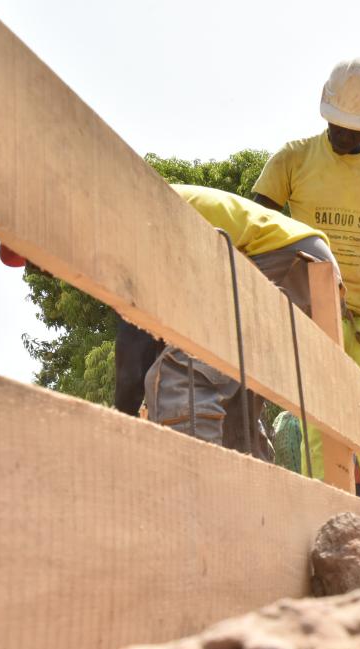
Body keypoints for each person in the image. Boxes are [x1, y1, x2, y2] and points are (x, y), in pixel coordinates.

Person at [253, 57, 360, 502]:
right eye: (337, 125)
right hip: (313, 312)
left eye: (355, 129)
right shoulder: (292, 159)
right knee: (321, 433)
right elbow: (255, 230)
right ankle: (325, 521)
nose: (344, 135)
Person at [122, 184, 339, 455]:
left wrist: (119, 426)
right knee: (232, 410)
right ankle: (247, 493)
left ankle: (196, 489)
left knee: (181, 378)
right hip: (311, 271)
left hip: (285, 262)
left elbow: (133, 347)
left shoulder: (121, 209)